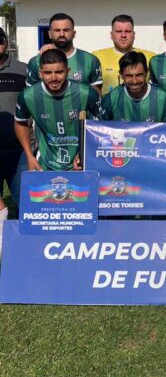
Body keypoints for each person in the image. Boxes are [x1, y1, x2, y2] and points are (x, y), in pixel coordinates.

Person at [14, 49, 100, 171]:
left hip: (81, 164)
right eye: (48, 73)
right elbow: (20, 122)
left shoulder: (86, 93)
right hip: (44, 165)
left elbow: (101, 125)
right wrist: (29, 155)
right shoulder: (28, 96)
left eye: (59, 72)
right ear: (40, 73)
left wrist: (85, 152)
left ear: (68, 71)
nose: (53, 78)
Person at [0, 27, 27, 247]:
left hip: (18, 149)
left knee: (25, 200)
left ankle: (24, 246)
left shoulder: (23, 70)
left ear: (6, 42)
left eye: (0, 40)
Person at [26, 13, 102, 89]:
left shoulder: (90, 60)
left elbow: (96, 96)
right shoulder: (35, 62)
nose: (62, 34)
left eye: (66, 30)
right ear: (50, 34)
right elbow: (30, 95)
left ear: (74, 33)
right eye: (57, 30)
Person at [101, 51, 166, 123]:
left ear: (146, 73)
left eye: (139, 75)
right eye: (129, 76)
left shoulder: (164, 98)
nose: (134, 81)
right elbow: (97, 129)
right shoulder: (111, 98)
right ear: (121, 75)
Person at [93, 14, 154, 95]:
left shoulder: (151, 57)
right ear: (111, 35)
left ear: (134, 34)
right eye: (118, 31)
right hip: (109, 106)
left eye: (127, 31)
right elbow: (94, 90)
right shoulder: (96, 57)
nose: (123, 35)